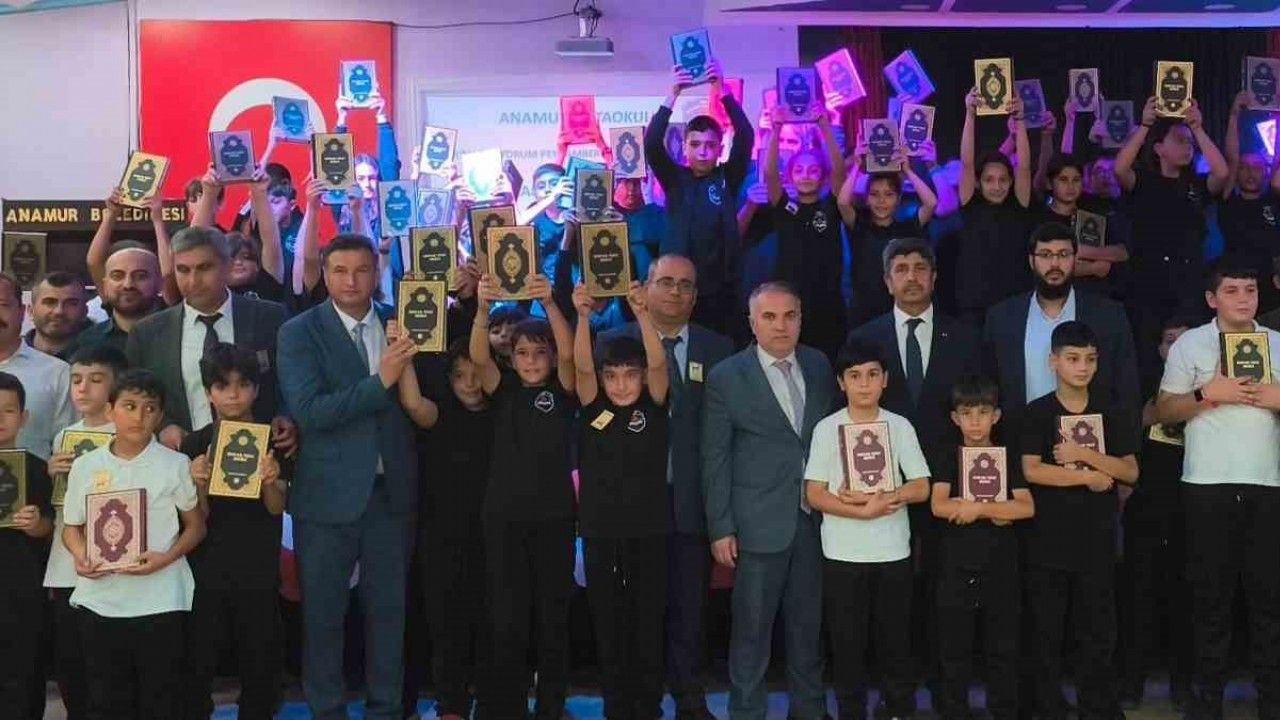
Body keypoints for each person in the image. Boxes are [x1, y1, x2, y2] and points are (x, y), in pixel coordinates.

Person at [277, 233, 419, 720]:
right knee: (323, 617)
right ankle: (327, 711)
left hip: (391, 495)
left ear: (376, 273)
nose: (351, 281)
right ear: (324, 274)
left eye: (361, 270)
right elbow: (311, 412)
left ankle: (386, 710)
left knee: (389, 615)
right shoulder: (299, 332)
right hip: (325, 497)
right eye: (340, 271)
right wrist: (381, 381)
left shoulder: (403, 322)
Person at [598, 254, 733, 719]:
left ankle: (690, 700)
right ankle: (640, 703)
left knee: (689, 611)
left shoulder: (719, 348)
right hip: (632, 505)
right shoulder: (613, 343)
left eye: (686, 285)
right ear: (645, 287)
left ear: (696, 296)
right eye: (666, 282)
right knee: (635, 612)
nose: (676, 291)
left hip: (693, 500)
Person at [846, 237, 980, 685]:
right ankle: (894, 690)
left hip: (948, 481)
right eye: (900, 269)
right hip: (884, 487)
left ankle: (946, 688)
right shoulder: (865, 338)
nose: (911, 277)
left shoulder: (965, 336)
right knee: (890, 597)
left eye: (920, 268)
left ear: (935, 277)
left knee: (946, 593)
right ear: (887, 281)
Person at [701, 281, 838, 720]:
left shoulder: (819, 364)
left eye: (790, 315)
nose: (781, 326)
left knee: (808, 630)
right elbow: (715, 458)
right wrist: (721, 526)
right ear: (752, 322)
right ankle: (747, 712)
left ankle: (810, 710)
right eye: (769, 317)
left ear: (801, 319)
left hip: (815, 520)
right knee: (751, 633)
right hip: (756, 525)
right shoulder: (727, 376)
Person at [1155, 262, 1280, 720]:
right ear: (1212, 299)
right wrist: (1207, 394)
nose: (1244, 298)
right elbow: (1162, 411)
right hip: (1206, 485)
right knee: (1210, 600)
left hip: (1268, 484)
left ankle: (1272, 701)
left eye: (1250, 289)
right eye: (1232, 290)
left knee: (1270, 601)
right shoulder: (1190, 344)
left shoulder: (1277, 342)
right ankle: (1206, 703)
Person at [62, 369, 207, 720]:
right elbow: (71, 528)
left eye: (150, 408)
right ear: (110, 410)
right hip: (101, 600)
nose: (139, 416)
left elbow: (196, 527)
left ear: (160, 415)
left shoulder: (175, 464)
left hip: (161, 598)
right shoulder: (85, 466)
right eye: (129, 406)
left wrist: (165, 558)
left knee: (161, 699)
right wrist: (82, 556)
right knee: (106, 700)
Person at [803, 337, 931, 720]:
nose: (864, 384)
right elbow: (814, 493)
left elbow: (921, 486)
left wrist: (887, 496)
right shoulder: (827, 428)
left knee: (896, 643)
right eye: (855, 376)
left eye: (873, 375)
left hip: (892, 552)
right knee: (847, 646)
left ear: (885, 380)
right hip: (842, 554)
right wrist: (857, 510)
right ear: (841, 383)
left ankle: (899, 710)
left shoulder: (900, 426)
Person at [469, 269, 577, 720]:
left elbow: (570, 353)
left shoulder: (565, 391)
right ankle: (507, 706)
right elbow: (478, 358)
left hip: (554, 518)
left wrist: (550, 304)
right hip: (504, 519)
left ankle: (551, 705)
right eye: (522, 353)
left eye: (539, 353)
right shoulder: (504, 389)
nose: (531, 361)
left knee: (553, 617)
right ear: (511, 359)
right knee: (507, 617)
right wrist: (481, 308)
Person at [1020, 321, 1139, 720]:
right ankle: (1047, 705)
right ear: (1053, 361)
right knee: (1046, 630)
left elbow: (1130, 471)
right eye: (1073, 359)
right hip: (1048, 538)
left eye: (1090, 359)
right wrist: (1086, 478)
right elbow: (1032, 470)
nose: (1082, 367)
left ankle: (1097, 705)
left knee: (1099, 630)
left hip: (1097, 538)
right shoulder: (1037, 412)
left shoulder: (1111, 409)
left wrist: (1084, 455)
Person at [572, 279, 671, 720]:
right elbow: (581, 368)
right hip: (600, 532)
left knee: (647, 623)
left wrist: (644, 314)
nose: (622, 384)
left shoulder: (653, 405)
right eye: (611, 376)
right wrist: (582, 318)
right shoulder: (593, 407)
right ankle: (616, 707)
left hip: (649, 531)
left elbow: (658, 362)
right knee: (608, 625)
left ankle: (647, 707)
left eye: (630, 375)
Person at [179, 342, 285, 720]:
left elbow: (277, 508)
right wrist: (198, 484)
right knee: (199, 657)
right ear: (209, 393)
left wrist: (271, 480)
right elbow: (198, 517)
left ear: (257, 389)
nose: (234, 394)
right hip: (207, 567)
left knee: (260, 659)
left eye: (243, 384)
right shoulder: (195, 443)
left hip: (258, 565)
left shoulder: (275, 439)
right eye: (223, 386)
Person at [393, 337, 494, 720]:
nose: (469, 384)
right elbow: (413, 404)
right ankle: (452, 704)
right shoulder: (442, 413)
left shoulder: (502, 411)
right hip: (442, 537)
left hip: (492, 536)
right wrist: (403, 355)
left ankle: (491, 702)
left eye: (476, 374)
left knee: (491, 623)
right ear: (448, 379)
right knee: (445, 624)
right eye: (459, 376)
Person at [125, 226, 293, 455]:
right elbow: (136, 395)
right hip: (178, 457)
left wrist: (285, 415)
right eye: (183, 270)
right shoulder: (147, 333)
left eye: (204, 268)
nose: (193, 280)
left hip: (258, 458)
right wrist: (162, 426)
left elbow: (290, 381)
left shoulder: (270, 318)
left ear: (227, 266)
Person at [930, 375, 1034, 720]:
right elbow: (938, 505)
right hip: (956, 566)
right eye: (967, 413)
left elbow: (1025, 507)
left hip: (1000, 564)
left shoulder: (1006, 456)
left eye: (983, 412)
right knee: (954, 651)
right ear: (955, 418)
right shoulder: (948, 456)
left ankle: (1004, 711)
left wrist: (976, 509)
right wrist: (998, 511)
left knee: (1002, 649)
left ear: (996, 416)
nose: (975, 422)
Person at [1114, 97, 1229, 386]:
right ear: (1158, 148)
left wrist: (1197, 128)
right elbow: (1120, 169)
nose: (1187, 147)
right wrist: (1145, 125)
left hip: (1188, 280)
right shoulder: (1143, 180)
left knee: (1192, 354)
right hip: (1148, 281)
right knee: (1148, 354)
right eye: (1179, 140)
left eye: (1189, 142)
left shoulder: (1196, 185)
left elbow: (1222, 173)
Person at [983, 222, 1140, 434]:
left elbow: (1126, 389)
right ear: (1031, 261)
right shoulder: (1002, 318)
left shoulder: (1108, 315)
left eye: (1064, 254)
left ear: (1075, 259)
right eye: (1045, 255)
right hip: (1021, 441)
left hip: (1089, 442)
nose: (1055, 263)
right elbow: (989, 390)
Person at [43, 344, 127, 720]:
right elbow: (61, 505)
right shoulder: (64, 436)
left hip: (116, 562)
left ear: (116, 385)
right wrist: (52, 475)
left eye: (95, 379)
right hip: (68, 564)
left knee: (109, 662)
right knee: (71, 660)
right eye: (76, 379)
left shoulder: (131, 432)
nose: (83, 388)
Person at [645, 59, 753, 337]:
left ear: (720, 149)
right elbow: (652, 143)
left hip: (719, 292)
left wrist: (721, 89)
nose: (703, 151)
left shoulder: (728, 177)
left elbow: (746, 136)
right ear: (684, 147)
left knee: (717, 351)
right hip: (677, 290)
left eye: (710, 145)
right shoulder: (674, 179)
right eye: (695, 144)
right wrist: (673, 93)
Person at [1119, 316, 1194, 711]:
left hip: (1193, 505)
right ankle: (1131, 682)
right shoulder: (1142, 387)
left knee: (1187, 598)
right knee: (1139, 597)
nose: (1176, 347)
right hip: (1145, 504)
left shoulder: (1210, 387)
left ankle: (1183, 684)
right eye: (1169, 340)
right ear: (1159, 349)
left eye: (1184, 339)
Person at [762, 106, 848, 358]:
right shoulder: (784, 207)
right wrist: (776, 129)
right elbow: (769, 173)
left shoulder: (831, 205)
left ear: (822, 177)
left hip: (828, 303)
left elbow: (839, 171)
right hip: (790, 303)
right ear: (790, 177)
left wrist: (824, 126)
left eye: (813, 170)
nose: (806, 176)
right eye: (799, 170)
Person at [954, 89, 1033, 326]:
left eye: (1003, 180)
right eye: (989, 180)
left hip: (1014, 302)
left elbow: (1025, 167)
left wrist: (1020, 120)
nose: (997, 186)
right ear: (979, 183)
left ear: (1011, 181)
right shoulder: (970, 204)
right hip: (974, 304)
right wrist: (970, 114)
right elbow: (967, 164)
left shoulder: (1019, 204)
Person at [0, 372, 54, 719]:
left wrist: (37, 526)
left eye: (8, 410)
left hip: (22, 588)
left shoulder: (38, 469)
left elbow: (52, 527)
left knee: (23, 675)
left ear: (24, 417)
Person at [840, 145, 938, 330]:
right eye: (874, 194)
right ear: (866, 198)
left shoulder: (907, 228)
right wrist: (857, 166)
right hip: (864, 309)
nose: (881, 201)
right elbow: (843, 202)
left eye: (889, 194)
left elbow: (931, 203)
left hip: (900, 309)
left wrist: (908, 171)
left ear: (899, 199)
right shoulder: (859, 225)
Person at [1032, 154, 1130, 298]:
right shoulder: (1042, 219)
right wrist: (1092, 268)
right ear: (1050, 183)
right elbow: (1043, 266)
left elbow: (1122, 252)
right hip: (1057, 298)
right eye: (1063, 180)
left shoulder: (1095, 213)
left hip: (1098, 296)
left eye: (1076, 180)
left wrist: (1079, 251)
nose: (1070, 186)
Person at [0, 272, 75, 459]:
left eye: (2, 305)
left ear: (22, 311)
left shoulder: (58, 373)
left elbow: (69, 450)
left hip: (37, 477)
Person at [1220, 90, 1280, 314]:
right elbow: (1232, 158)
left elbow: (1278, 159)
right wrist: (1234, 115)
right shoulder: (1228, 201)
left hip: (1272, 288)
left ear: (1265, 173)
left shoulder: (1273, 200)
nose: (1250, 173)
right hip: (1238, 286)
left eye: (1256, 168)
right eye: (1244, 168)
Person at [76, 242, 166, 355]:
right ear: (105, 285)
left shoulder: (178, 335)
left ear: (159, 283)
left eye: (140, 276)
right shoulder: (87, 341)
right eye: (117, 276)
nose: (128, 285)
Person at [26, 272, 91, 360]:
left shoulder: (100, 357)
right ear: (31, 311)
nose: (59, 311)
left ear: (85, 311)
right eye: (50, 302)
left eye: (71, 303)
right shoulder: (11, 354)